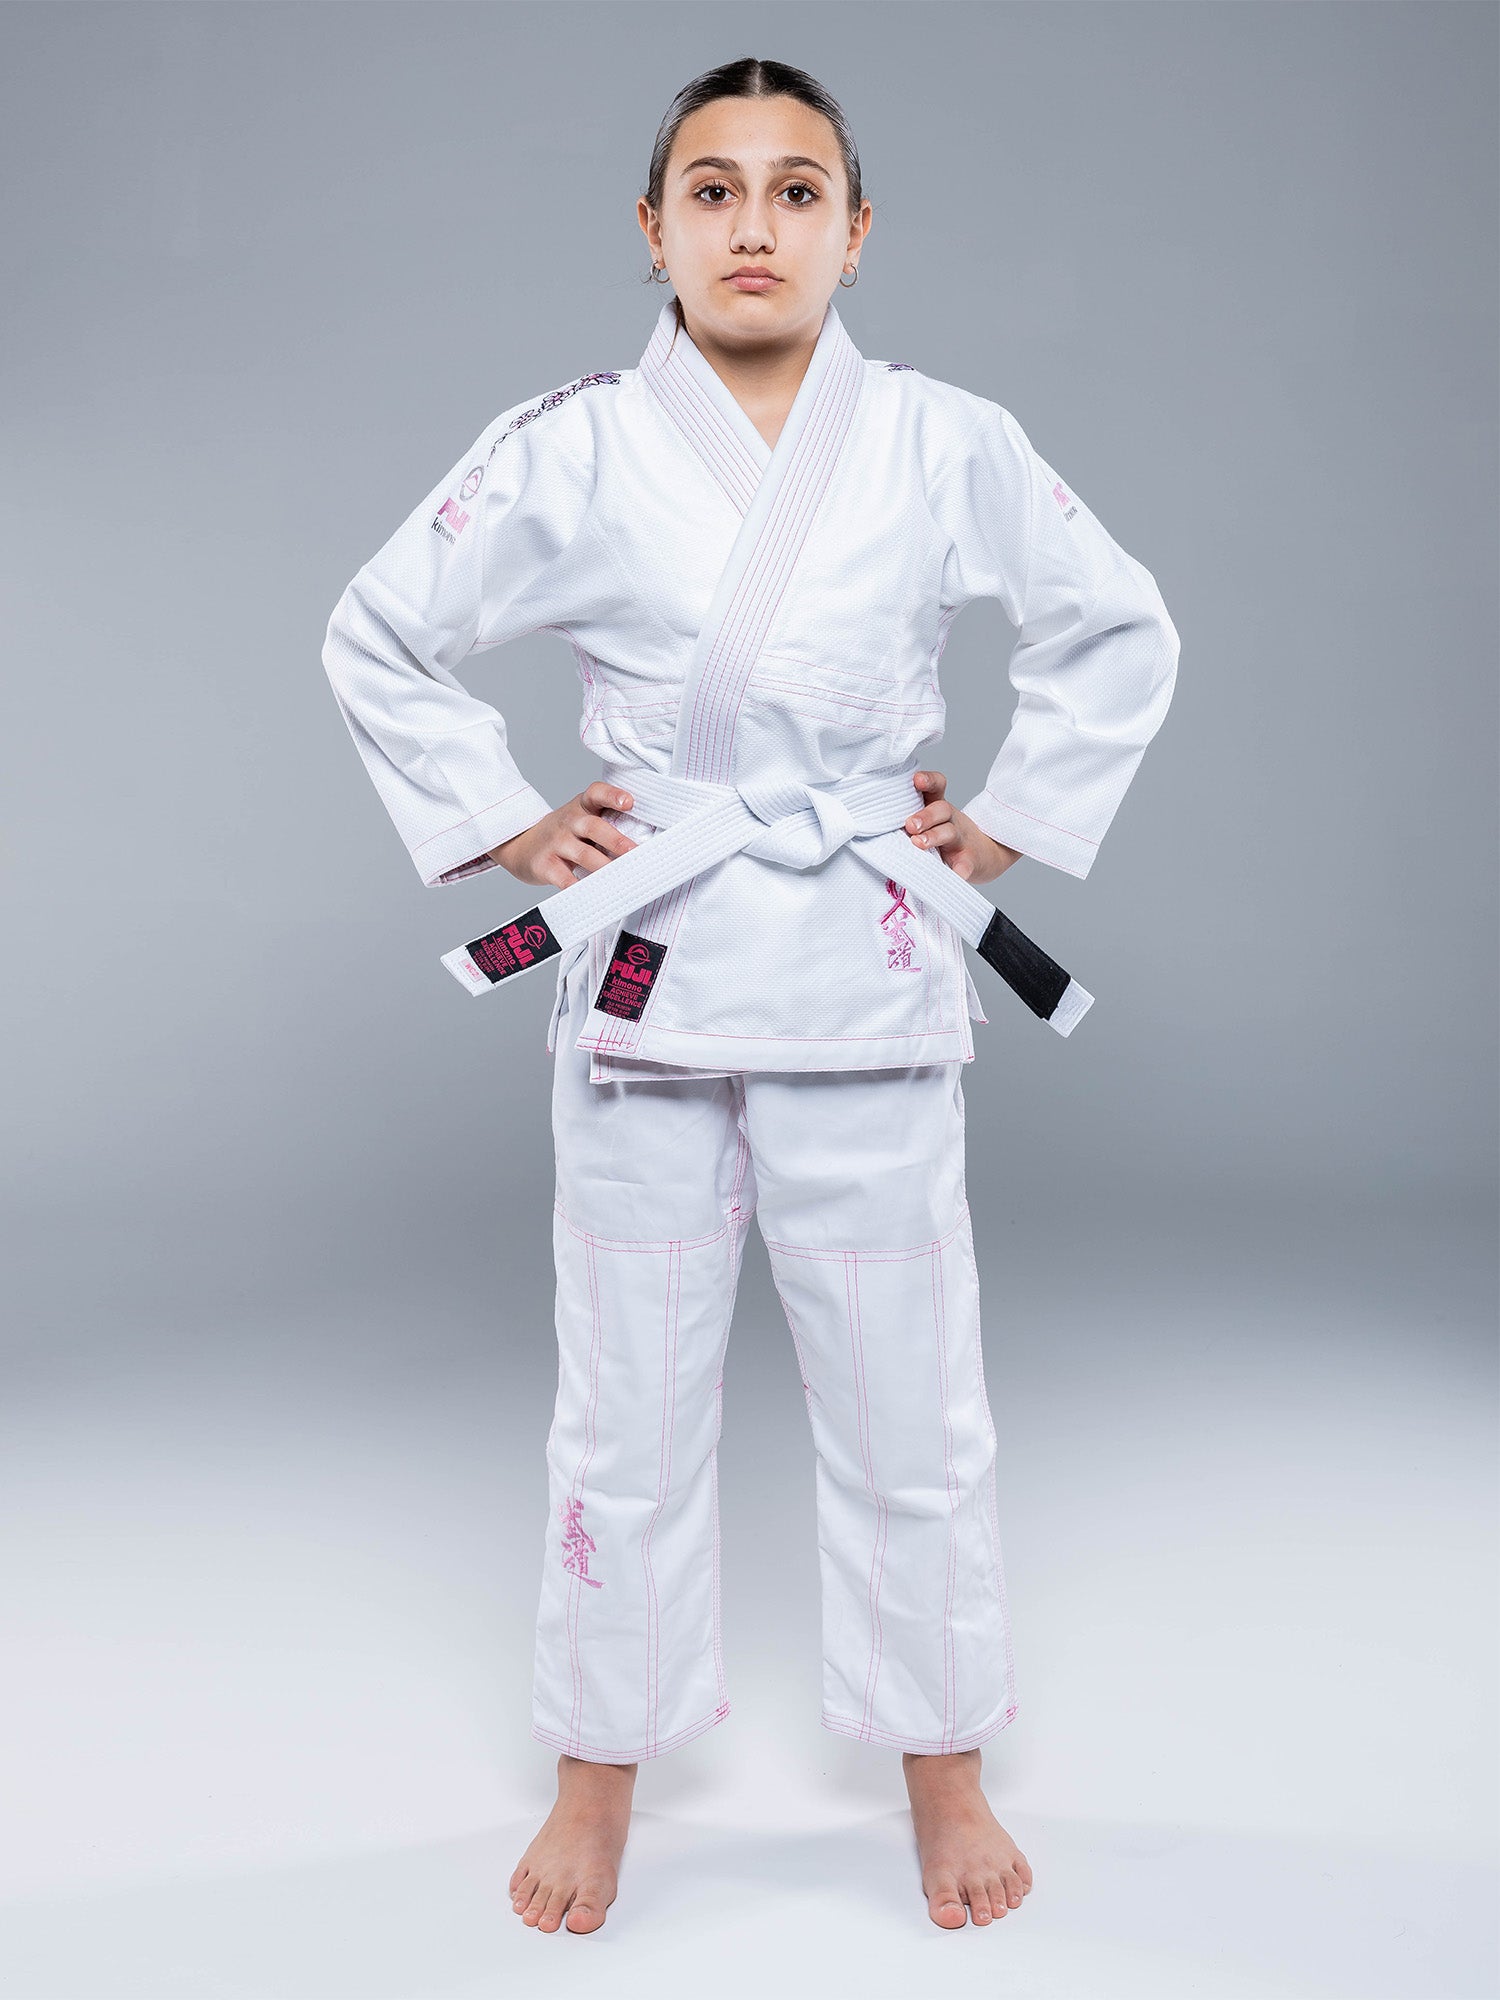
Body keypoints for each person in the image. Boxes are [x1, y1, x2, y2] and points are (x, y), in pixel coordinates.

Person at [320, 56, 1179, 1937]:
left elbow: (1120, 623)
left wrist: (1010, 823)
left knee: (910, 1397)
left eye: (798, 191)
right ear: (653, 233)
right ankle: (598, 1773)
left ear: (856, 231)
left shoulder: (945, 437)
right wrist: (505, 823)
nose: (755, 225)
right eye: (711, 191)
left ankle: (941, 1769)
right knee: (622, 1403)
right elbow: (377, 628)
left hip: (861, 968)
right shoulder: (565, 444)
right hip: (659, 958)